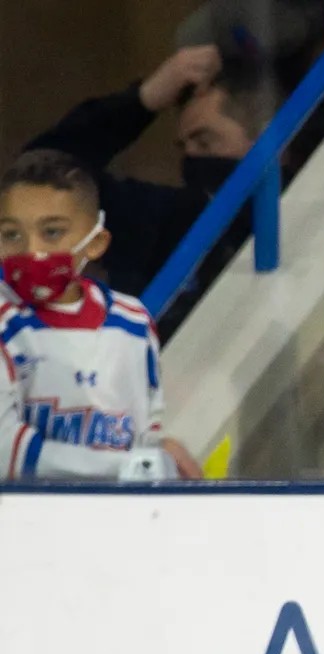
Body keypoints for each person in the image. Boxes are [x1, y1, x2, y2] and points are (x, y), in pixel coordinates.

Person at [19, 43, 271, 303]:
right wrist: (143, 100)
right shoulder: (170, 219)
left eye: (205, 142)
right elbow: (39, 178)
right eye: (184, 147)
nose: (191, 158)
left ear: (268, 137)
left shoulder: (305, 208)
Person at [1, 151, 197, 481]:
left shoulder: (134, 322)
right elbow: (5, 453)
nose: (31, 250)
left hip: (117, 522)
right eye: (11, 234)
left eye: (51, 232)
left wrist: (160, 451)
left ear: (96, 243)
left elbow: (142, 433)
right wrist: (124, 467)